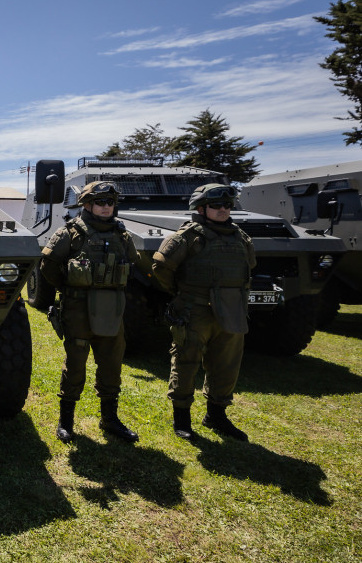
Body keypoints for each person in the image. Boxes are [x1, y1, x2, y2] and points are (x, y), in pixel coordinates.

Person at [39, 181, 150, 443]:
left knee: (112, 365)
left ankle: (109, 419)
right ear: (87, 204)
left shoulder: (122, 234)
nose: (106, 207)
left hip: (111, 310)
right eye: (100, 202)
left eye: (110, 202)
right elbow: (49, 266)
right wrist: (71, 286)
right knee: (75, 365)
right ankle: (66, 421)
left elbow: (132, 263)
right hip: (79, 309)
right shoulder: (71, 232)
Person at [152, 183, 255, 442]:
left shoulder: (240, 236)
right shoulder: (188, 236)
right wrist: (183, 294)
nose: (223, 210)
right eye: (216, 205)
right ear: (200, 208)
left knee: (226, 364)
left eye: (227, 205)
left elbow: (248, 266)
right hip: (194, 311)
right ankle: (182, 420)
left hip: (230, 311)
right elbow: (161, 267)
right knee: (186, 363)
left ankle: (216, 415)